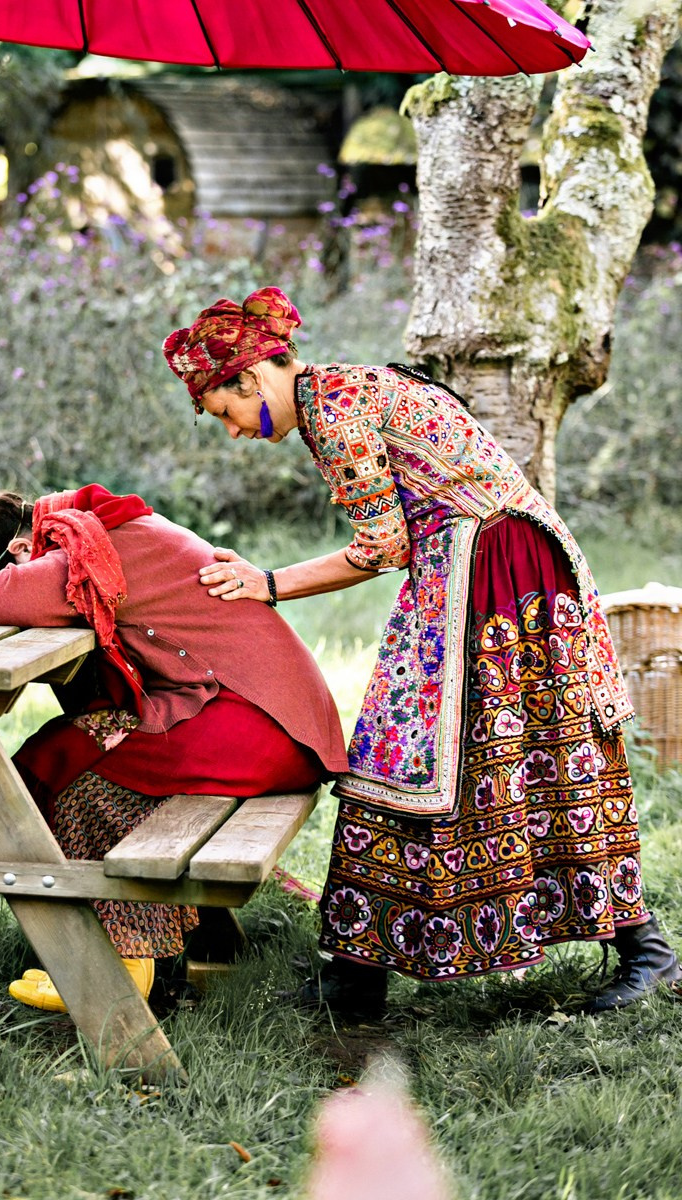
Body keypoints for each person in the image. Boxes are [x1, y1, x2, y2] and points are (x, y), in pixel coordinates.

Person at [162, 285, 680, 1019]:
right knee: (459, 756)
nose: (233, 431)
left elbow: (381, 546)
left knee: (458, 755)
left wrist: (267, 583)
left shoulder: (333, 411)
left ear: (251, 379)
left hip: (495, 570)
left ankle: (643, 953)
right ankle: (357, 972)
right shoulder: (336, 391)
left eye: (224, 412)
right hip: (500, 563)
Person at [0, 481, 348, 1011]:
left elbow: (1, 597)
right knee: (55, 754)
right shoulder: (100, 527)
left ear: (21, 549)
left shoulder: (92, 540)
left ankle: (119, 961)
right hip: (254, 710)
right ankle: (108, 940)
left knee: (75, 779)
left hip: (259, 723)